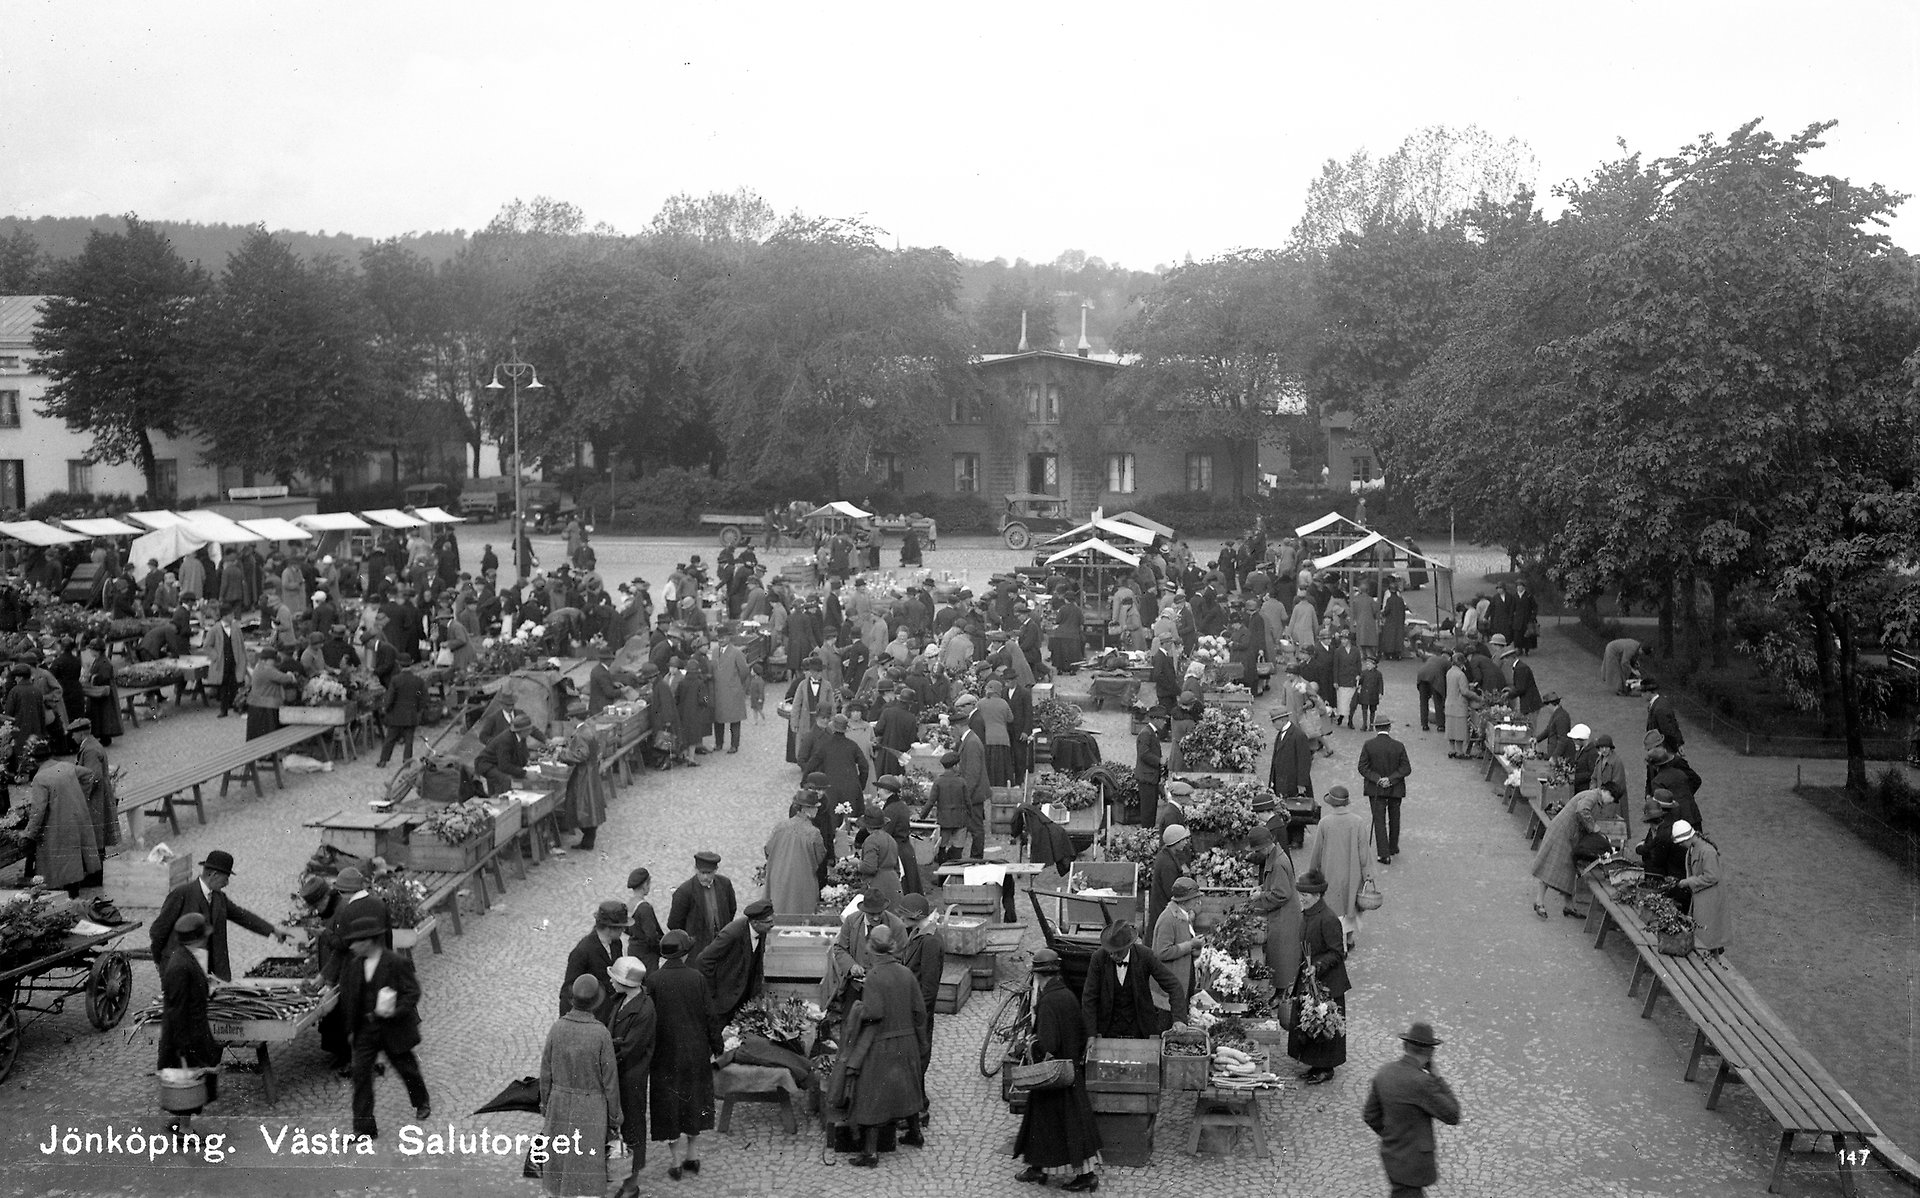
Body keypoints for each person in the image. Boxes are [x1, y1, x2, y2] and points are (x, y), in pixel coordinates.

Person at [832, 924, 927, 1168]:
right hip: (906, 1041)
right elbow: (919, 1010)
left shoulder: (874, 976)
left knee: (873, 1094)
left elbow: (874, 1012)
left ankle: (870, 1153)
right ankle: (915, 1134)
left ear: (872, 948)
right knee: (908, 1087)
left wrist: (858, 1009)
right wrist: (920, 1041)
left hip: (882, 1042)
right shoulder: (905, 973)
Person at [1012, 948, 1102, 1190]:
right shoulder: (1067, 995)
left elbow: (1049, 1043)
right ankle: (1037, 1167)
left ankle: (1086, 1177)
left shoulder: (1048, 1002)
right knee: (1042, 1121)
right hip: (1070, 1070)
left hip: (1056, 1075)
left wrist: (1030, 1043)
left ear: (1039, 976)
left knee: (1068, 1126)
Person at [340, 914, 432, 1138]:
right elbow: (350, 998)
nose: (352, 946)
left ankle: (421, 1101)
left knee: (406, 1068)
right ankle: (364, 1129)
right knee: (361, 1077)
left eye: (356, 941)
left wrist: (396, 1010)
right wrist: (351, 1030)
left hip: (393, 1028)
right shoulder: (354, 965)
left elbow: (413, 992)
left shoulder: (396, 963)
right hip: (365, 1030)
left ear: (368, 941)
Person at [647, 929, 721, 1180]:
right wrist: (717, 1046)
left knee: (669, 1105)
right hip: (696, 1052)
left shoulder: (654, 981)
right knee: (694, 1102)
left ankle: (675, 1161)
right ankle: (693, 1155)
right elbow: (710, 1016)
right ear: (686, 952)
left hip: (665, 1055)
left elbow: (649, 1020)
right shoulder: (697, 978)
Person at [540, 974, 623, 1198]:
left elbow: (545, 1071)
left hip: (559, 1102)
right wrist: (615, 1117)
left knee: (559, 1158)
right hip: (591, 1107)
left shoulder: (557, 1028)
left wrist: (545, 1104)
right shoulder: (601, 1034)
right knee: (587, 1162)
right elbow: (610, 1082)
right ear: (596, 1002)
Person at [150, 850, 290, 981]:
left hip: (211, 971)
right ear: (214, 875)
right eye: (226, 878)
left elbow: (243, 916)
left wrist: (273, 930)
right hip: (181, 970)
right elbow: (158, 931)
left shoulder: (219, 898)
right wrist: (159, 961)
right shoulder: (182, 894)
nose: (227, 883)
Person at [1362, 1021, 1462, 1198]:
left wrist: (1393, 1136)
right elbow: (1453, 1114)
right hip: (1413, 1166)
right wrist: (1437, 1078)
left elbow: (1370, 1115)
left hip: (1392, 1158)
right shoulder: (1422, 1083)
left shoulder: (1384, 1073)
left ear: (1404, 1045)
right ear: (1430, 1053)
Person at [155, 912, 220, 1127]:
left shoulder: (186, 956)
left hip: (193, 1030)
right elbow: (177, 1010)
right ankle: (184, 1130)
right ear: (197, 938)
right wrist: (183, 1046)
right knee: (188, 1080)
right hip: (186, 1034)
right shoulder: (180, 966)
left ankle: (181, 1120)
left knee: (192, 1079)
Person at [1287, 871, 1350, 1085]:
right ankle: (1315, 1064)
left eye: (1305, 894)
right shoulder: (1308, 913)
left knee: (1324, 1022)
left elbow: (1337, 952)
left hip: (1328, 981)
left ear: (1317, 895)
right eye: (1300, 893)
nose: (1301, 898)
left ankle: (1326, 1068)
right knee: (1312, 1020)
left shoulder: (1328, 918)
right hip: (1311, 977)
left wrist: (1317, 965)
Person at [605, 957, 656, 1198]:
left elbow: (630, 1049)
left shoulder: (644, 1009)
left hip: (631, 1078)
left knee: (633, 1128)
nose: (611, 982)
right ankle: (624, 1180)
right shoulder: (622, 1000)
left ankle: (631, 1185)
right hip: (619, 1075)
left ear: (625, 982)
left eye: (614, 979)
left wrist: (604, 1054)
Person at [1082, 921, 1187, 1037]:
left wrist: (1179, 1019)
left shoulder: (1145, 956)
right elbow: (1089, 998)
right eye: (1110, 952)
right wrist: (1091, 1035)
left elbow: (1174, 985)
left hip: (1141, 1029)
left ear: (1129, 946)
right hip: (1108, 1030)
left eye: (1118, 952)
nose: (1113, 956)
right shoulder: (1098, 958)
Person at [894, 893, 944, 1140]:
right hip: (911, 1009)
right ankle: (917, 1105)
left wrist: (916, 1015)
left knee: (917, 1060)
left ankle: (920, 1111)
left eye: (904, 914)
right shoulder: (917, 934)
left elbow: (929, 989)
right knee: (912, 1060)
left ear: (916, 917)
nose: (900, 918)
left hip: (919, 1014)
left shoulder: (931, 942)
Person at [23, 752, 101, 897]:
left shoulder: (40, 779)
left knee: (62, 858)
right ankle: (73, 891)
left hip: (57, 823)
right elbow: (90, 775)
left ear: (34, 762)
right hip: (77, 817)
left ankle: (64, 894)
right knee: (73, 857)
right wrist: (80, 796)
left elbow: (38, 811)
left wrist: (29, 834)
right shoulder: (66, 766)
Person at [1307, 786, 1374, 949]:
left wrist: (1312, 872)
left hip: (1330, 872)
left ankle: (1335, 942)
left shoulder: (1325, 823)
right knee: (1350, 906)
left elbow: (1317, 850)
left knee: (1332, 907)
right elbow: (1364, 852)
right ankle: (1349, 940)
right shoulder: (1357, 822)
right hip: (1353, 873)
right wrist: (1368, 875)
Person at [1529, 787, 1610, 920]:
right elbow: (1582, 811)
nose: (1610, 802)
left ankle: (1569, 906)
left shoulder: (1594, 796)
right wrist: (1595, 829)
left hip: (1567, 834)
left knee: (1569, 869)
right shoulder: (1592, 797)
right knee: (1551, 867)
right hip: (1562, 833)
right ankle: (1539, 902)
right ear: (1607, 793)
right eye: (1612, 799)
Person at [696, 897, 775, 1022]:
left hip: (744, 998)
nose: (772, 925)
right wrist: (713, 994)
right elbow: (703, 960)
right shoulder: (731, 934)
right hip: (725, 1002)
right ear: (755, 923)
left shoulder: (761, 930)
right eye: (768, 922)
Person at [1246, 823, 1303, 994]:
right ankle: (1281, 992)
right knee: (1280, 956)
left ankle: (1283, 994)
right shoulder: (1276, 856)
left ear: (1263, 847)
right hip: (1284, 915)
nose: (1257, 853)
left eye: (1257, 850)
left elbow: (1281, 894)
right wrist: (1263, 888)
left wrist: (1260, 897)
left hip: (1284, 917)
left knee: (1282, 958)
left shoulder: (1277, 863)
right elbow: (1277, 884)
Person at [560, 900, 631, 1023]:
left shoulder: (616, 943)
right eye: (621, 927)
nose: (623, 930)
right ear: (609, 928)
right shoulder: (583, 951)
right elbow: (567, 991)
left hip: (610, 1013)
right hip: (592, 1016)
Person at [1670, 821, 1730, 956]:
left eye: (1680, 843)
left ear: (1687, 839)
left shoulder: (1707, 851)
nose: (1680, 846)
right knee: (1705, 938)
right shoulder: (1694, 847)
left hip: (1710, 899)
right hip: (1701, 897)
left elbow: (1712, 876)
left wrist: (1689, 882)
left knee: (1706, 939)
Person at [1150, 875, 1205, 1021]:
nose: (1198, 901)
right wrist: (1190, 945)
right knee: (1169, 1025)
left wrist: (1196, 948)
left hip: (1181, 983)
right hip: (1168, 989)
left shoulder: (1183, 916)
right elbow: (1162, 952)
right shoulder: (1168, 919)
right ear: (1185, 900)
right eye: (1195, 898)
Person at [763, 792, 827, 915]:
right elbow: (820, 856)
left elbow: (767, 850)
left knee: (777, 911)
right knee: (801, 915)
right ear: (805, 809)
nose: (817, 810)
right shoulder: (813, 833)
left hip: (778, 877)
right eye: (815, 807)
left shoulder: (780, 826)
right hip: (802, 881)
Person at [1358, 719, 1412, 865]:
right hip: (1395, 788)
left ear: (1376, 728)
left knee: (1379, 820)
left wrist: (1378, 779)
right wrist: (1391, 779)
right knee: (1395, 818)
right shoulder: (1398, 746)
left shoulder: (1369, 745)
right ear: (1389, 727)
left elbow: (1362, 767)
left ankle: (1383, 854)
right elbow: (1406, 768)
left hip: (1375, 789)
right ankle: (1393, 847)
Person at [667, 851, 737, 959]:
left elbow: (731, 909)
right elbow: (674, 923)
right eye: (702, 872)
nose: (705, 877)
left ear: (716, 870)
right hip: (696, 952)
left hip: (721, 948)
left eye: (709, 873)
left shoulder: (725, 884)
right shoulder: (684, 892)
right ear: (695, 869)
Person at [475, 711, 537, 796]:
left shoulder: (521, 737)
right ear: (522, 731)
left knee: (515, 775)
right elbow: (504, 766)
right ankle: (502, 802)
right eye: (529, 729)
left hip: (497, 762)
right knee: (505, 780)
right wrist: (525, 773)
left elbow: (522, 755)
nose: (531, 731)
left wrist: (527, 763)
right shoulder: (506, 740)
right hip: (486, 764)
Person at [376, 665, 427, 768]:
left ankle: (383, 760)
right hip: (411, 715)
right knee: (409, 741)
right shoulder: (418, 681)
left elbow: (390, 698)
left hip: (396, 715)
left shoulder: (395, 680)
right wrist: (417, 710)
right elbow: (424, 698)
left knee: (390, 739)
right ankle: (406, 761)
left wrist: (385, 709)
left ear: (399, 665)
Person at [244, 647, 298, 739]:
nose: (275, 663)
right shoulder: (267, 669)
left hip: (256, 704)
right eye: (273, 660)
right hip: (266, 706)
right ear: (268, 660)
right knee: (268, 733)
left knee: (256, 734)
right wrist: (290, 675)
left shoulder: (259, 667)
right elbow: (284, 678)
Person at [1147, 824, 1193, 931]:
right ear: (1175, 842)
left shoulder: (1165, 855)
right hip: (1163, 910)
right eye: (1183, 840)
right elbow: (1171, 892)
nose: (1185, 842)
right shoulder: (1168, 864)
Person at [1644, 677, 1684, 753]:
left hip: (1663, 749)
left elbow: (1668, 730)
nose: (1641, 695)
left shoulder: (1659, 709)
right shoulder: (1658, 704)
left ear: (1648, 692)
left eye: (1643, 692)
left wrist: (1676, 746)